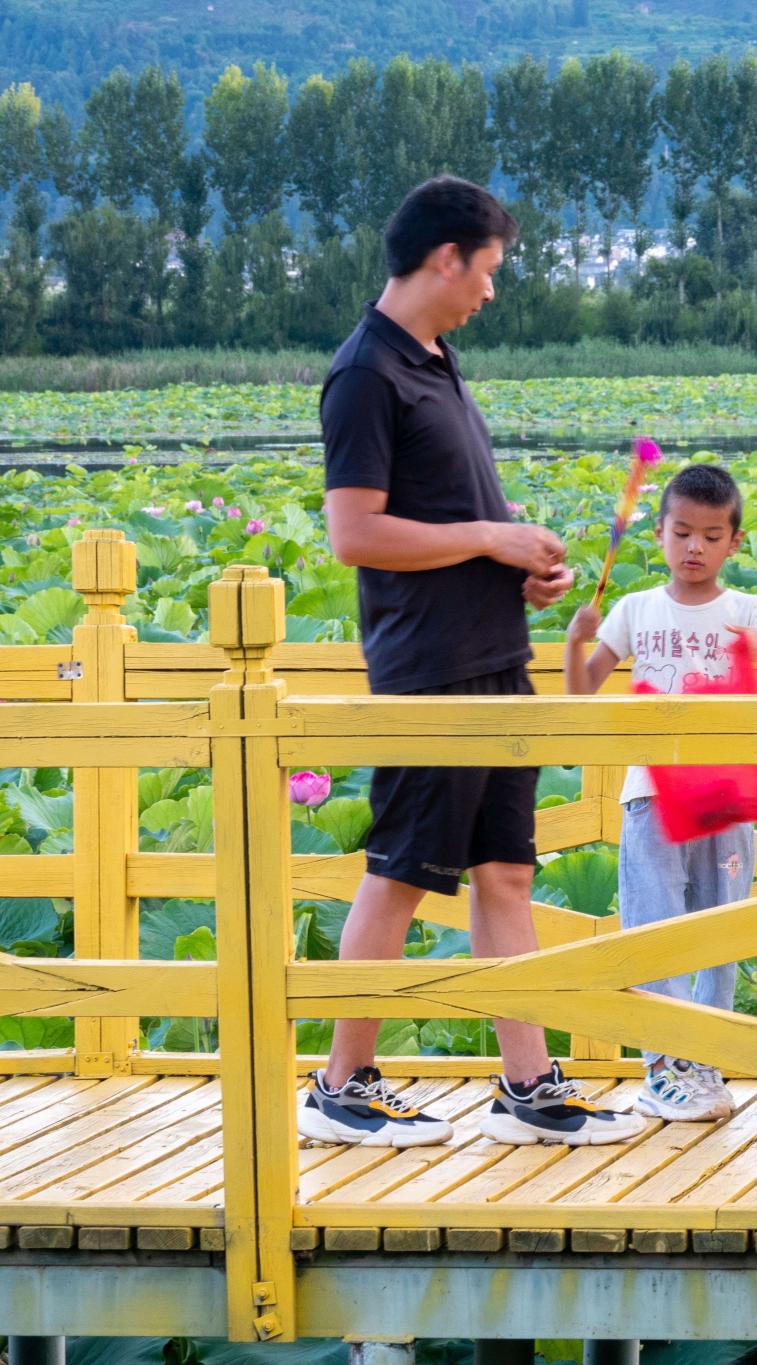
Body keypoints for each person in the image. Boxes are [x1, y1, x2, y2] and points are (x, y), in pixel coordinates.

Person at [304, 176, 643, 1149]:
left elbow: (453, 526)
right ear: (445, 258)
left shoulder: (435, 362)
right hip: (428, 669)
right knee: (402, 871)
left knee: (504, 874)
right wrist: (492, 541)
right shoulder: (365, 373)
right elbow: (353, 532)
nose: (491, 291)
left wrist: (518, 573)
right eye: (487, 271)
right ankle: (342, 1084)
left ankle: (527, 1085)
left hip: (495, 656)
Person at [563, 462, 757, 1122]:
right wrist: (573, 643)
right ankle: (661, 1066)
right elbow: (583, 693)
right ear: (659, 533)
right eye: (682, 532)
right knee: (655, 926)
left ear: (734, 542)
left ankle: (705, 1057)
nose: (695, 547)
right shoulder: (636, 608)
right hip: (652, 793)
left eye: (712, 535)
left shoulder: (748, 607)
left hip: (727, 792)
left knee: (721, 929)